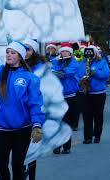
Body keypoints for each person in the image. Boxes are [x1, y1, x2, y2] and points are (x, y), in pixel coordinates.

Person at [0, 41, 45, 180]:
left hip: (22, 129)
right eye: (7, 52)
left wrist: (37, 125)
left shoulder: (30, 78)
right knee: (1, 166)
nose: (8, 55)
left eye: (12, 52)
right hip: (1, 129)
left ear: (20, 56)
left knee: (17, 166)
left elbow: (35, 103)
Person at [23, 39, 68, 180]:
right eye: (23, 49)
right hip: (20, 109)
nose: (25, 52)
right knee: (20, 146)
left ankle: (31, 175)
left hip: (36, 108)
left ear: (34, 51)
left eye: (28, 49)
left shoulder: (41, 67)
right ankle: (22, 168)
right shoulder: (17, 64)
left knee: (31, 146)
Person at [51, 42, 79, 154]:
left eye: (66, 51)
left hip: (70, 97)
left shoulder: (74, 63)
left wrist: (55, 72)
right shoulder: (57, 62)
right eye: (62, 51)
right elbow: (52, 71)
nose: (64, 53)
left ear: (70, 52)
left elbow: (65, 73)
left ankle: (67, 147)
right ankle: (57, 145)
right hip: (58, 97)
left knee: (67, 123)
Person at [79, 45, 110, 144]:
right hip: (86, 93)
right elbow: (78, 75)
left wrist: (95, 72)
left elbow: (106, 74)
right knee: (86, 115)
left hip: (98, 93)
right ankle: (87, 137)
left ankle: (97, 135)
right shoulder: (82, 63)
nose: (89, 55)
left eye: (91, 52)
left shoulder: (102, 62)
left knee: (98, 116)